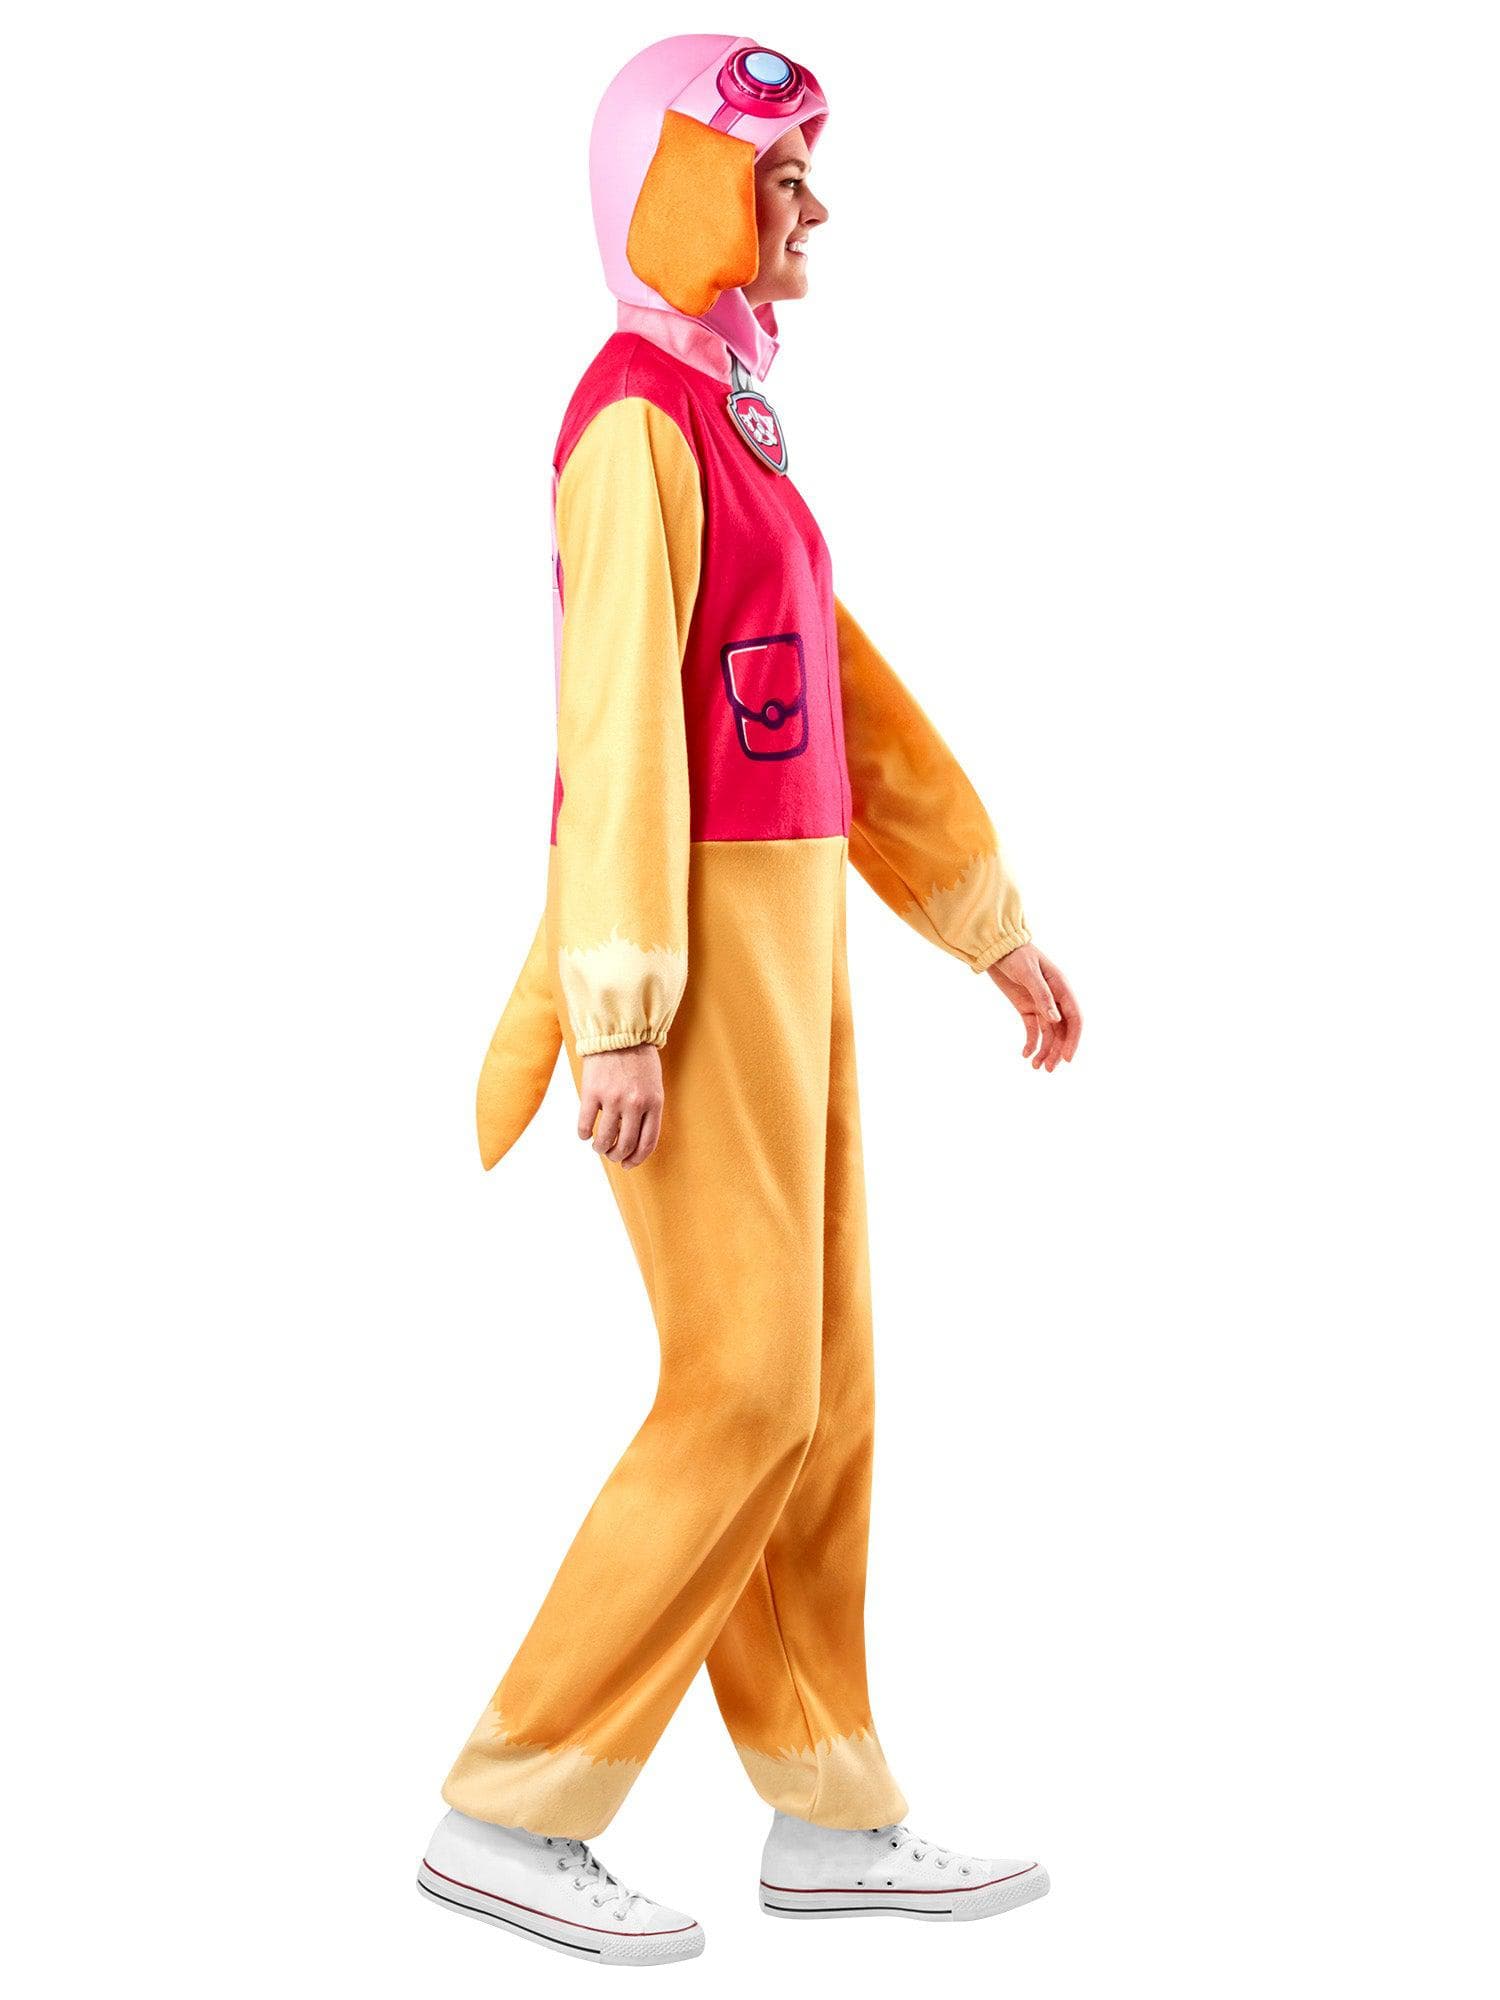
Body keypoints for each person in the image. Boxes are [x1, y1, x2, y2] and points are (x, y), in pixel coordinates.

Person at [417, 34, 1082, 1968]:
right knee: (745, 1383)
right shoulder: (632, 419)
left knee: (826, 1383)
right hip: (692, 948)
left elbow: (838, 688)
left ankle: (828, 1809)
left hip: (791, 941)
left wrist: (984, 919)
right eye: (783, 176)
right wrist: (618, 1002)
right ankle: (510, 1803)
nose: (816, 210)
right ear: (687, 190)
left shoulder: (732, 419)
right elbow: (617, 715)